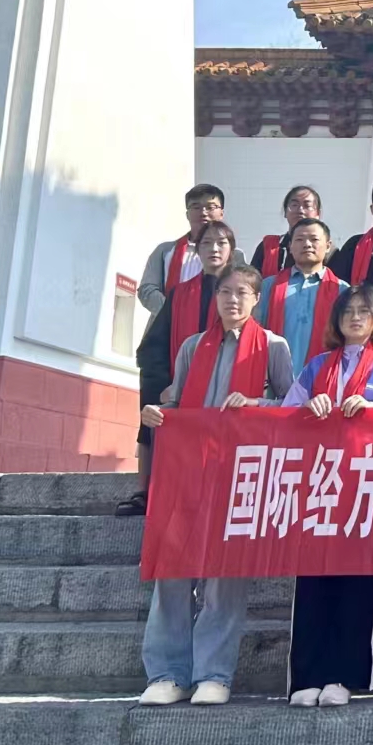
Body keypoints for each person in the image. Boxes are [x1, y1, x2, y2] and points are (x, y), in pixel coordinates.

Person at [137, 264, 292, 707]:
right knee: (172, 569)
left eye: (242, 292)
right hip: (187, 469)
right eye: (225, 292)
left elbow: (290, 405)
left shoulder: (274, 347)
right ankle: (167, 673)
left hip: (240, 471)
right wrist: (157, 414)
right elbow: (178, 401)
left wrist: (257, 403)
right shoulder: (192, 346)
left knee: (226, 575)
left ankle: (214, 674)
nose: (232, 300)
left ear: (257, 299)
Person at [282, 284, 373, 707]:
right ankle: (307, 676)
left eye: (364, 311)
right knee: (312, 580)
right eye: (348, 312)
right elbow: (286, 415)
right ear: (336, 320)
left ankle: (343, 676)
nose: (355, 318)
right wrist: (309, 410)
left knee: (358, 582)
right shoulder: (317, 365)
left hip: (366, 484)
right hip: (319, 485)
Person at [121, 220, 239, 517]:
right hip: (177, 380)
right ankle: (146, 492)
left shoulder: (242, 293)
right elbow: (155, 343)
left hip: (225, 382)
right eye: (206, 243)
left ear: (232, 250)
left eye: (221, 243)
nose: (214, 249)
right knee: (152, 412)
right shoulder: (179, 293)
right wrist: (165, 385)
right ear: (197, 251)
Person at [254, 217, 346, 382]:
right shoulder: (269, 286)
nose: (307, 244)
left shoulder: (342, 290)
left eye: (314, 239)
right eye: (300, 239)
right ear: (290, 246)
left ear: (328, 246)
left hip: (323, 380)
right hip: (272, 380)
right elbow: (254, 332)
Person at [138, 184, 232, 316]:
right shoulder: (165, 251)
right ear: (187, 214)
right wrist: (174, 312)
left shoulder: (234, 254)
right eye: (196, 207)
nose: (203, 212)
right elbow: (147, 289)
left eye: (210, 207)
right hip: (167, 324)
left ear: (221, 213)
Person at [249, 185, 322, 275]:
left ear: (318, 214)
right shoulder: (268, 246)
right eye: (294, 205)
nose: (300, 210)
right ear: (285, 212)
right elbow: (251, 280)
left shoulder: (325, 249)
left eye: (307, 205)